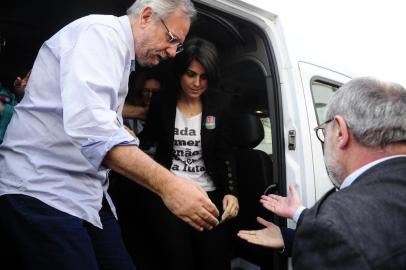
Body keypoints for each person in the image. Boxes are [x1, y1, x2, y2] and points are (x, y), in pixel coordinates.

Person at [0, 1, 222, 269]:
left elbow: (92, 119)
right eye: (171, 38)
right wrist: (171, 186)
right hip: (44, 189)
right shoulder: (100, 34)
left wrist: (119, 130)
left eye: (178, 45)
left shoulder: (120, 56)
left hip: (87, 197)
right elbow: (93, 127)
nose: (174, 52)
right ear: (147, 16)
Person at [238, 77, 406, 270]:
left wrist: (318, 226)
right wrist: (298, 214)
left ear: (340, 133)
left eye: (323, 133)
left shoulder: (335, 224)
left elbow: (345, 235)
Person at [139, 37, 239, 270]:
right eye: (191, 74)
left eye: (204, 77)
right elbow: (148, 140)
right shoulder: (163, 102)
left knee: (214, 260)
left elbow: (225, 152)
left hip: (208, 197)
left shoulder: (220, 104)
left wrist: (232, 192)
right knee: (175, 260)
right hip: (170, 195)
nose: (197, 83)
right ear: (180, 73)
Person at [0, 70, 30, 143]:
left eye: (29, 80)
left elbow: (19, 112)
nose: (24, 82)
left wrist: (4, 109)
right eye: (26, 77)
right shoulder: (6, 92)